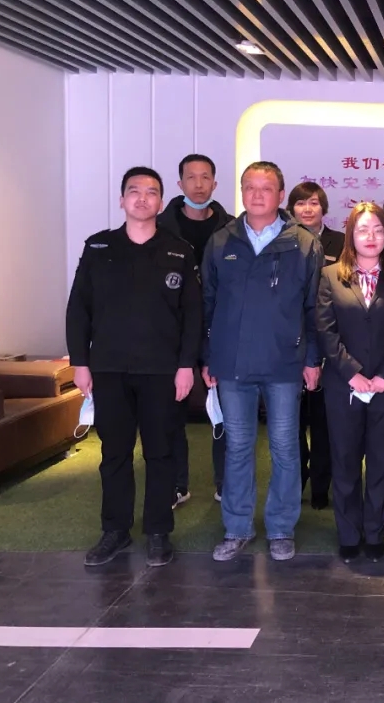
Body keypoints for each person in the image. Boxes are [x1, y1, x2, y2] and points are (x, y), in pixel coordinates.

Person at [66, 166, 201, 567]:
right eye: (134, 191)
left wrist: (186, 366)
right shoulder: (99, 247)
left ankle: (158, 532)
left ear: (162, 201)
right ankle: (115, 530)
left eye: (151, 192)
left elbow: (193, 315)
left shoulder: (178, 250)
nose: (143, 198)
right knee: (114, 453)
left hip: (162, 371)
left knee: (160, 453)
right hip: (109, 368)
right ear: (122, 199)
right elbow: (78, 310)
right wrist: (80, 363)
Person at [201, 161, 323, 562]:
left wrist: (312, 359)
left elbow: (314, 307)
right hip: (232, 363)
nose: (257, 195)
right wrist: (207, 356)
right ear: (241, 192)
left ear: (280, 194)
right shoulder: (221, 241)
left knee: (285, 447)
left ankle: (281, 527)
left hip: (285, 363)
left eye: (266, 188)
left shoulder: (303, 243)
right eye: (249, 187)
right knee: (238, 446)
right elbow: (207, 304)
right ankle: (237, 527)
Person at [317, 202, 384, 563]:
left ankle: (375, 534)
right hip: (343, 386)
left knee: (380, 460)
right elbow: (325, 331)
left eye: (377, 229)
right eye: (363, 230)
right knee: (344, 460)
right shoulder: (330, 276)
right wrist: (352, 373)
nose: (370, 236)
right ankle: (348, 534)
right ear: (351, 235)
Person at [157, 153, 232, 509]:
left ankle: (226, 483)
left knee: (226, 409)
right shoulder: (160, 228)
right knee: (170, 410)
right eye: (191, 177)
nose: (199, 184)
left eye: (205, 177)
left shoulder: (232, 227)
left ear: (215, 183)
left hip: (222, 328)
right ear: (180, 183)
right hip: (173, 330)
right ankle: (176, 484)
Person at [287, 181, 342, 509]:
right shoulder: (281, 242)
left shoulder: (341, 243)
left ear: (324, 208)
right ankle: (296, 479)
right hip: (290, 342)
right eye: (300, 203)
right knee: (290, 422)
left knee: (324, 423)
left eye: (313, 203)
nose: (307, 209)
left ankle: (321, 486)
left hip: (330, 342)